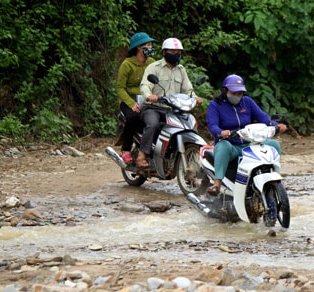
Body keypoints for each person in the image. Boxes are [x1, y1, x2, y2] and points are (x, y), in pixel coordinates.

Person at [205, 74, 287, 195]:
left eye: (240, 93)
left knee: (273, 144)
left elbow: (263, 118)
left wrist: (276, 125)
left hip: (250, 143)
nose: (237, 96)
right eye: (234, 93)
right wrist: (221, 133)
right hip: (230, 144)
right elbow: (212, 125)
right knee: (223, 147)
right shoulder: (215, 105)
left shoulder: (247, 102)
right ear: (225, 90)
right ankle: (217, 183)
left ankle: (275, 178)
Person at [137, 37, 203, 168]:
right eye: (172, 52)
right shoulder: (154, 67)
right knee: (153, 124)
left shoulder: (181, 70)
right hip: (153, 108)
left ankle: (185, 157)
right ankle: (141, 154)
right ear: (164, 52)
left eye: (178, 52)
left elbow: (188, 89)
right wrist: (149, 95)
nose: (176, 55)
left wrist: (194, 97)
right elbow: (144, 85)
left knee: (190, 123)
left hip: (173, 109)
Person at [116, 32, 156, 164]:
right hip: (129, 101)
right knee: (133, 117)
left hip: (147, 100)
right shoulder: (127, 64)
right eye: (148, 45)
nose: (151, 47)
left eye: (151, 44)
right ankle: (125, 149)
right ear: (139, 47)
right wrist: (131, 103)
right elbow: (120, 87)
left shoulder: (151, 62)